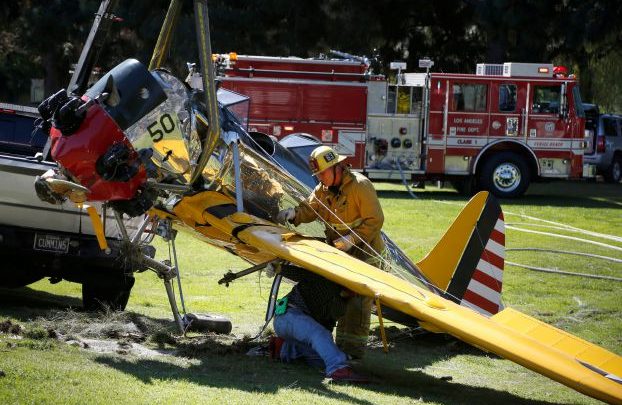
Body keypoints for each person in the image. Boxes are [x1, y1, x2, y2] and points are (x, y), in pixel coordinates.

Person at [276, 145, 386, 360]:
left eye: (323, 173)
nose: (320, 178)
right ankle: (338, 349)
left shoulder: (360, 186)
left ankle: (352, 354)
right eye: (317, 175)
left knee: (357, 304)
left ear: (337, 167)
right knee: (341, 300)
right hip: (343, 256)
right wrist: (293, 214)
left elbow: (376, 220)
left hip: (366, 256)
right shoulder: (323, 190)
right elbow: (310, 209)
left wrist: (351, 239)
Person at [269, 263, 369, 383]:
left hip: (294, 327)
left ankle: (282, 348)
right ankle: (337, 369)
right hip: (289, 315)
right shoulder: (325, 278)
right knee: (320, 335)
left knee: (321, 358)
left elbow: (326, 327)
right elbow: (301, 274)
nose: (355, 294)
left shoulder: (341, 305)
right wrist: (279, 268)